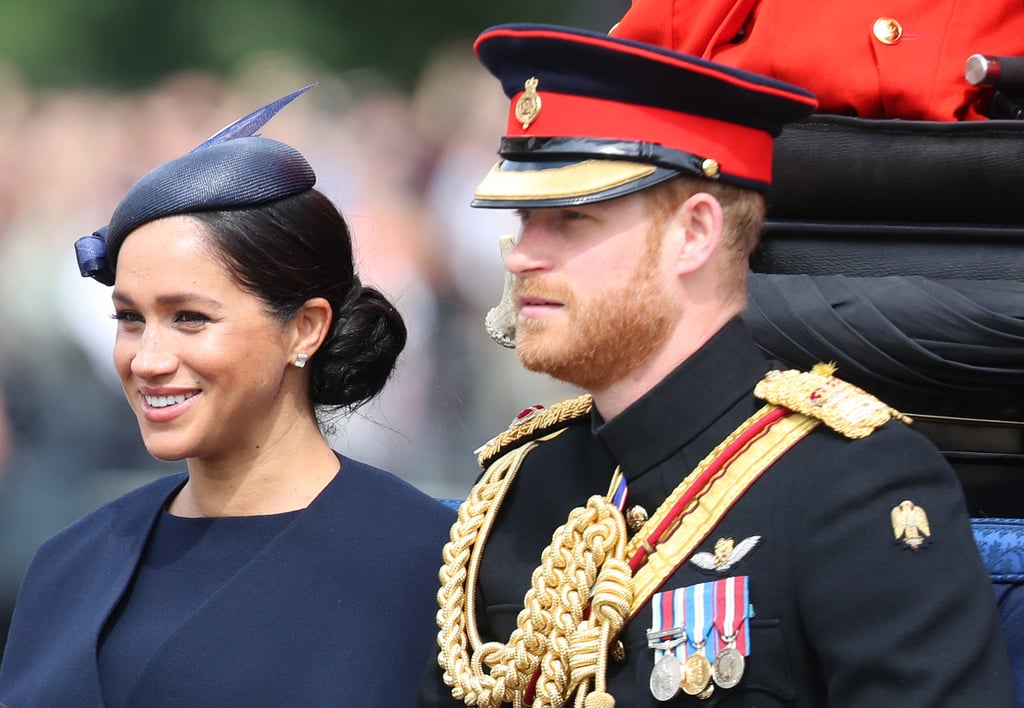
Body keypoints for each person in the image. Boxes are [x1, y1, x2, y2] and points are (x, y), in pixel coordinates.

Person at [417, 22, 1015, 707]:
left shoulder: (855, 489)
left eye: (571, 220)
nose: (522, 255)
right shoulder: (520, 489)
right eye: (524, 220)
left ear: (695, 233)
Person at [0, 85, 455, 706]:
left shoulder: (432, 566)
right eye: (129, 319)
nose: (148, 359)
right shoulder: (68, 563)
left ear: (305, 327)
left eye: (189, 317)